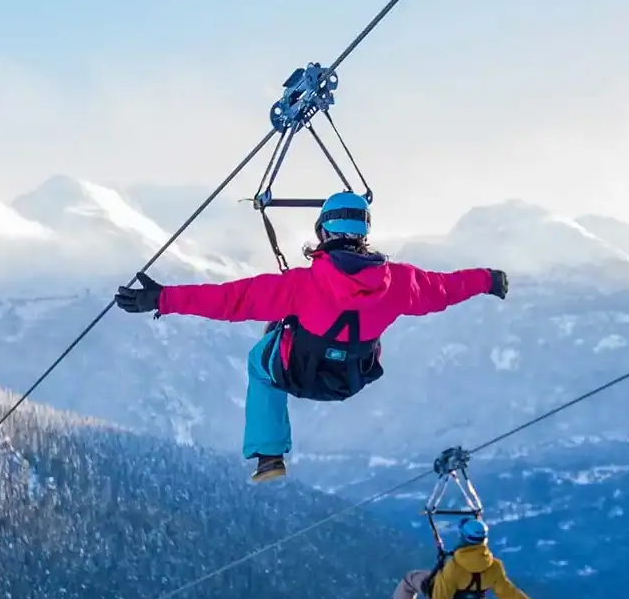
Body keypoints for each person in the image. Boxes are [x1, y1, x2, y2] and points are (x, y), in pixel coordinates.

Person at [114, 192, 509, 483]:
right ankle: (269, 453)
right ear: (364, 234)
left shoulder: (301, 286)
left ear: (323, 231)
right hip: (350, 378)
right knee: (283, 346)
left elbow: (230, 300)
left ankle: (269, 455)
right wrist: (487, 280)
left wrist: (163, 297)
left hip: (298, 374)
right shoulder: (401, 283)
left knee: (259, 361)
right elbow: (445, 288)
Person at [374, 517, 559, 599]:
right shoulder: (494, 567)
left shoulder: (454, 568)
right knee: (464, 592)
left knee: (410, 579)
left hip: (448, 597)